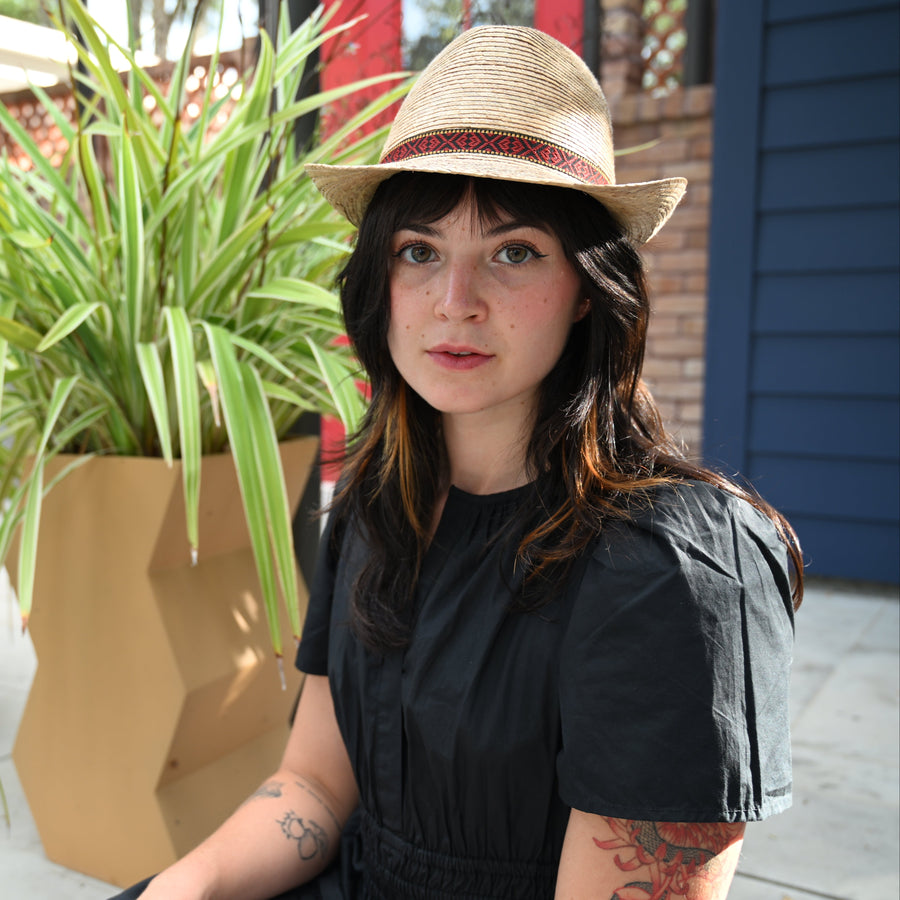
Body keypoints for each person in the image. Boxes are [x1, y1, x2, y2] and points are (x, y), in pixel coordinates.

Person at [112, 24, 801, 900]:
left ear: (588, 286)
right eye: (419, 252)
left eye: (513, 252)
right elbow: (317, 787)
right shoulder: (376, 499)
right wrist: (188, 887)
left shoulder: (673, 570)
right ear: (380, 281)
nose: (455, 303)